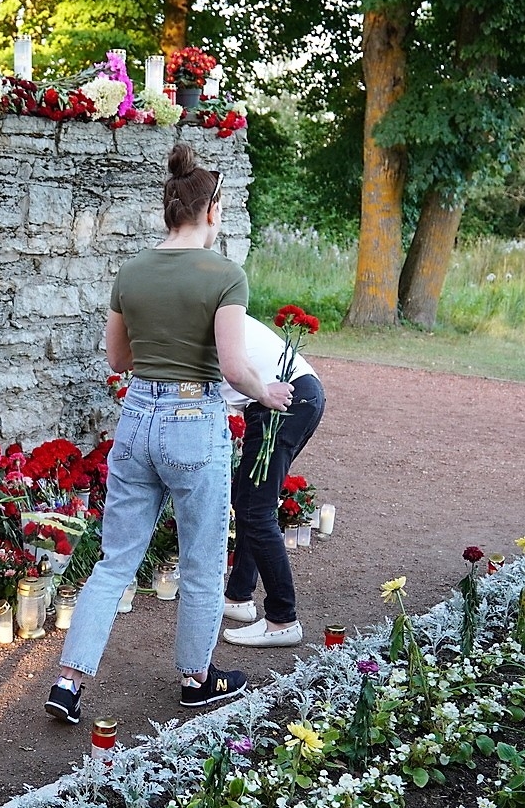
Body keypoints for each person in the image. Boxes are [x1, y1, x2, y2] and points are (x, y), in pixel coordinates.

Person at [45, 144, 292, 724]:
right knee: (202, 563)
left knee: (114, 562)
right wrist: (267, 392)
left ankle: (68, 683)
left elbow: (117, 359)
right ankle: (196, 679)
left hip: (137, 417)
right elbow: (233, 367)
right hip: (193, 422)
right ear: (211, 211)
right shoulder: (224, 275)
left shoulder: (131, 272)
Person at [220, 316, 325, 647]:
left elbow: (230, 375)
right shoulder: (209, 305)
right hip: (295, 394)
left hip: (283, 398)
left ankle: (282, 619)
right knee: (248, 500)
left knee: (256, 508)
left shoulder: (203, 312)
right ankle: (238, 597)